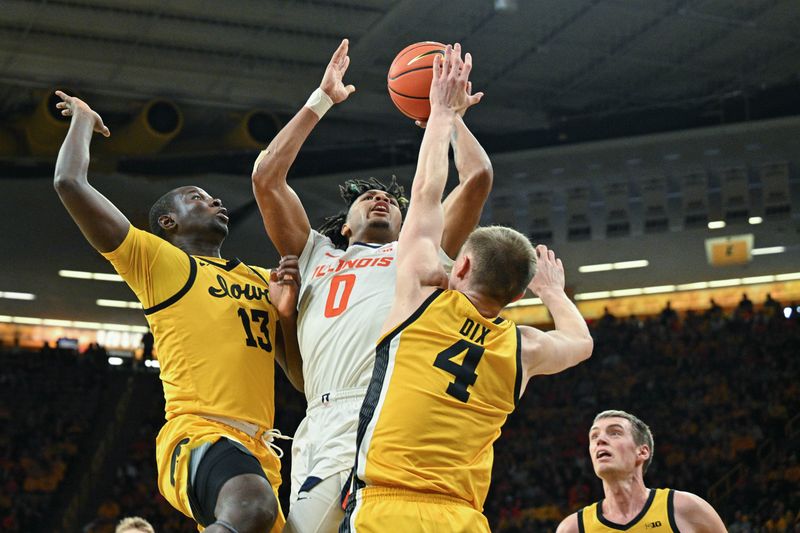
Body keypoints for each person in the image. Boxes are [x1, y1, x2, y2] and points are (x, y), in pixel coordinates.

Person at [340, 44, 593, 533]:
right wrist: (555, 293)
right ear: (518, 295)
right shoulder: (523, 346)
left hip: (386, 506)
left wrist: (441, 115)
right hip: (462, 518)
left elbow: (426, 192)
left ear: (462, 265)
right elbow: (581, 343)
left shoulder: (419, 296)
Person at [251, 39, 494, 532]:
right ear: (344, 224)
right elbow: (266, 178)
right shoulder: (315, 251)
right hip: (313, 421)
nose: (381, 199)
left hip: (375, 412)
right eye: (370, 198)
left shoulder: (414, 254)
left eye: (391, 199)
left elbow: (477, 177)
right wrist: (320, 100)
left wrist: (447, 118)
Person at [53, 91, 303, 533]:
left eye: (214, 199)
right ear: (168, 223)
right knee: (251, 509)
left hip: (259, 449)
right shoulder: (157, 262)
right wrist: (84, 122)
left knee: (255, 513)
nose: (216, 202)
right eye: (198, 198)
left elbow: (299, 380)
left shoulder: (262, 278)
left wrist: (285, 316)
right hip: (198, 434)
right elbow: (69, 183)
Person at [556, 410, 727, 533]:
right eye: (594, 436)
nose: (600, 440)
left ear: (642, 451)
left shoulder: (685, 508)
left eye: (615, 433)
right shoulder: (574, 528)